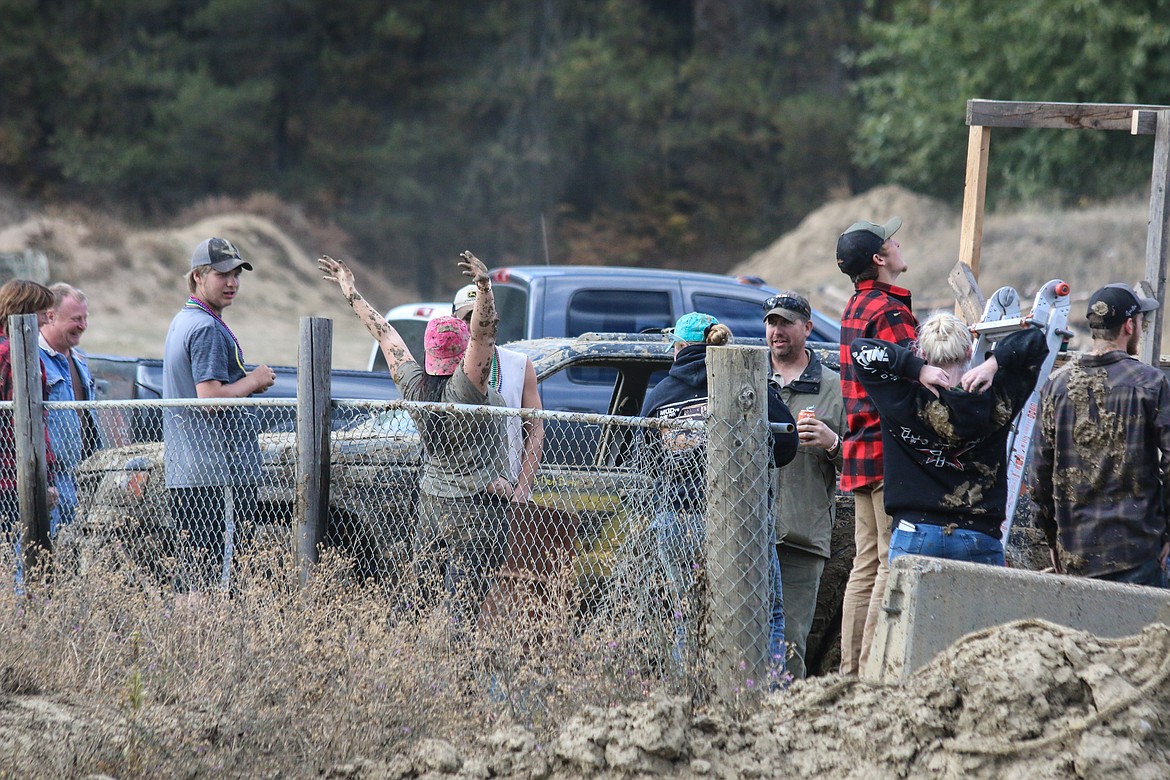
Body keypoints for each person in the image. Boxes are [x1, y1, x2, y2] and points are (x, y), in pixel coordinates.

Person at [320, 251, 509, 620]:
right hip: (476, 509)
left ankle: (404, 656)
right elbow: (484, 333)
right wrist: (484, 288)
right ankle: (456, 669)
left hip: (433, 503)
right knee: (462, 610)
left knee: (418, 599)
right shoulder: (467, 389)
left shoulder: (413, 384)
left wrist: (351, 291)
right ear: (462, 354)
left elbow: (385, 333)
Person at [640, 312, 799, 676]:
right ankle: (764, 694)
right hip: (741, 520)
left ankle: (691, 694)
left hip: (678, 519)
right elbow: (786, 444)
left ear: (679, 348)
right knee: (763, 611)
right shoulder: (748, 383)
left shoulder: (661, 394)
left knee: (690, 612)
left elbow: (647, 459)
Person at [851, 312, 1049, 567]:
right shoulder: (997, 396)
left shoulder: (901, 397)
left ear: (923, 353)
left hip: (914, 530)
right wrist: (992, 364)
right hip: (978, 533)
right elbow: (1035, 341)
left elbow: (861, 350)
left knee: (909, 607)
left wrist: (916, 369)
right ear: (969, 353)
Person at [1029, 283, 1170, 588]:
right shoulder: (1151, 384)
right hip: (1138, 550)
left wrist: (1054, 539)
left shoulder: (1056, 386)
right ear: (1129, 326)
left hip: (1077, 554)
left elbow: (1040, 474)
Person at [162, 238, 276, 590]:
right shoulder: (206, 328)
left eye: (237, 274)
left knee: (194, 577)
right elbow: (209, 397)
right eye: (223, 273)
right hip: (216, 475)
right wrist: (254, 380)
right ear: (198, 276)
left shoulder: (184, 320)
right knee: (218, 579)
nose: (232, 283)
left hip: (190, 472)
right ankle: (205, 643)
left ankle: (188, 642)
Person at [834, 216, 918, 676]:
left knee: (865, 563)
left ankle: (849, 671)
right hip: (888, 451)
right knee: (888, 561)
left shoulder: (855, 305)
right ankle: (869, 673)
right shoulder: (887, 311)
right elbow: (915, 377)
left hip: (859, 450)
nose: (899, 244)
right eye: (891, 241)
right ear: (879, 259)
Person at [764, 291, 845, 679]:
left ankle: (783, 725)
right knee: (741, 637)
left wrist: (832, 442)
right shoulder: (748, 378)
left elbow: (863, 461)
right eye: (771, 323)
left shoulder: (834, 387)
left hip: (800, 535)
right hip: (744, 535)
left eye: (786, 323)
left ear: (808, 328)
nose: (776, 331)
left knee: (790, 643)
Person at [451, 283, 544, 502]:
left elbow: (536, 430)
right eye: (469, 317)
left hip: (508, 491)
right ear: (455, 321)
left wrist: (522, 491)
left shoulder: (520, 365)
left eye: (484, 316)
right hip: (454, 492)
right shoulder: (444, 365)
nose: (477, 324)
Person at [0, 280, 59, 573]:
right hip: (15, 479)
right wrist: (45, 478)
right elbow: (26, 426)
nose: (45, 320)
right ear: (24, 313)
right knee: (28, 563)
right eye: (41, 313)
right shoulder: (17, 354)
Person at [39, 283, 99, 536]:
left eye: (85, 318)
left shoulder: (79, 361)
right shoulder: (33, 360)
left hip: (83, 479)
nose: (83, 325)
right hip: (50, 482)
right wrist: (45, 480)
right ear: (51, 316)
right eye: (76, 319)